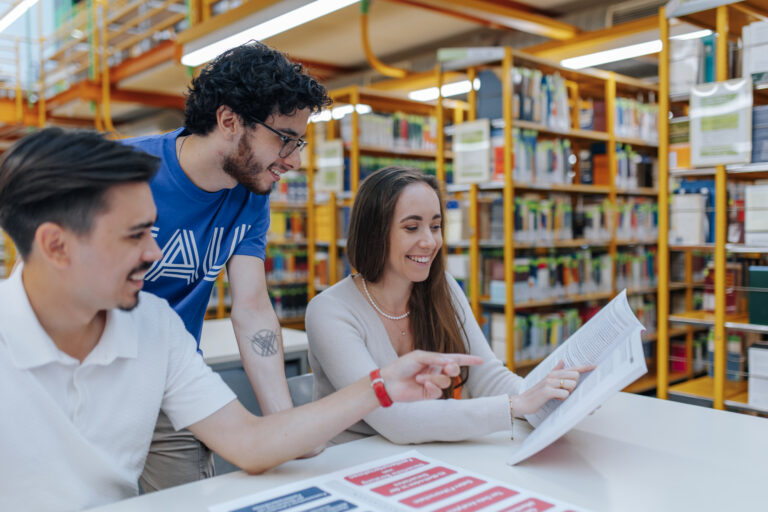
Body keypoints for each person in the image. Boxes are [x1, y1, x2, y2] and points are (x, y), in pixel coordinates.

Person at [0, 128, 481, 512]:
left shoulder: (158, 328)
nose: (154, 253)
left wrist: (381, 385)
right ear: (56, 246)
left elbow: (249, 443)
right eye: (134, 236)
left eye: (153, 229)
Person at [122, 41, 332, 490]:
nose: (294, 161)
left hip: (173, 383)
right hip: (93, 379)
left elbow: (253, 307)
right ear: (229, 120)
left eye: (300, 142)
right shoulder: (123, 170)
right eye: (285, 139)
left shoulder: (251, 197)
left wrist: (283, 422)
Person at [305, 167, 592, 445]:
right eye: (412, 227)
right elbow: (394, 419)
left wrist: (548, 399)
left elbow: (489, 378)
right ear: (374, 232)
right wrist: (514, 406)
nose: (429, 242)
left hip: (425, 458)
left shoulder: (444, 288)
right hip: (348, 467)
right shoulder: (330, 311)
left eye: (436, 226)